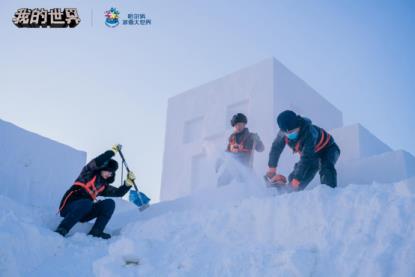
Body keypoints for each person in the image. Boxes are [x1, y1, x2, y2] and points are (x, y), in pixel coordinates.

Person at [55, 144, 135, 239]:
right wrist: (111, 152)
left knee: (109, 204)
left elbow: (118, 192)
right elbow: (97, 161)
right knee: (87, 203)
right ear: (102, 168)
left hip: (84, 211)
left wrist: (128, 184)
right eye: (108, 171)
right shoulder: (87, 173)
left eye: (112, 173)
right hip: (68, 208)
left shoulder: (103, 186)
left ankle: (96, 232)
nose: (110, 174)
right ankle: (62, 229)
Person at [266, 110, 340, 191]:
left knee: (326, 168)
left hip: (328, 148)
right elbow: (276, 148)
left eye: (293, 131)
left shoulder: (310, 133)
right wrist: (272, 168)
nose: (290, 134)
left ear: (298, 126)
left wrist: (297, 179)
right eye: (288, 133)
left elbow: (306, 158)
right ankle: (287, 194)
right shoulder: (283, 132)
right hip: (312, 154)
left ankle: (329, 193)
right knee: (294, 180)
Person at [217, 113, 264, 186]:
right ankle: (219, 194)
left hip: (245, 166)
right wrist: (219, 162)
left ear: (244, 124)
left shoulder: (251, 136)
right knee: (221, 180)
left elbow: (261, 149)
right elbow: (227, 153)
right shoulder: (232, 139)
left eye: (240, 124)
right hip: (233, 166)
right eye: (236, 125)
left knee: (248, 184)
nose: (238, 126)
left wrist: (258, 141)